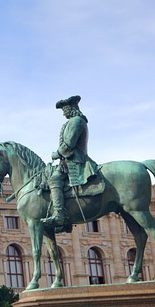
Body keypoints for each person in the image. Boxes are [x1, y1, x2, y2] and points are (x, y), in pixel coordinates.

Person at [42, 95, 99, 229]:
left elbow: (69, 144)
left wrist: (57, 153)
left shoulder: (76, 121)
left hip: (76, 160)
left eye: (65, 110)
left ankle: (59, 215)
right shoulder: (74, 121)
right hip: (69, 160)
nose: (64, 113)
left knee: (54, 180)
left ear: (71, 109)